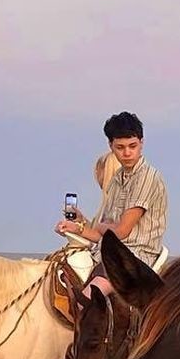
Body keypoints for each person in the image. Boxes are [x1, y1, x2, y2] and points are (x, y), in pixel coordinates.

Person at [57, 112, 169, 273]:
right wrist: (78, 226)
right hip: (109, 253)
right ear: (111, 146)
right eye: (120, 147)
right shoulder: (117, 179)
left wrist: (100, 227)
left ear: (141, 143)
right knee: (62, 272)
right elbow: (104, 236)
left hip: (136, 257)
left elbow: (121, 232)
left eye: (132, 146)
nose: (127, 153)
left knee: (91, 285)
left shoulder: (147, 177)